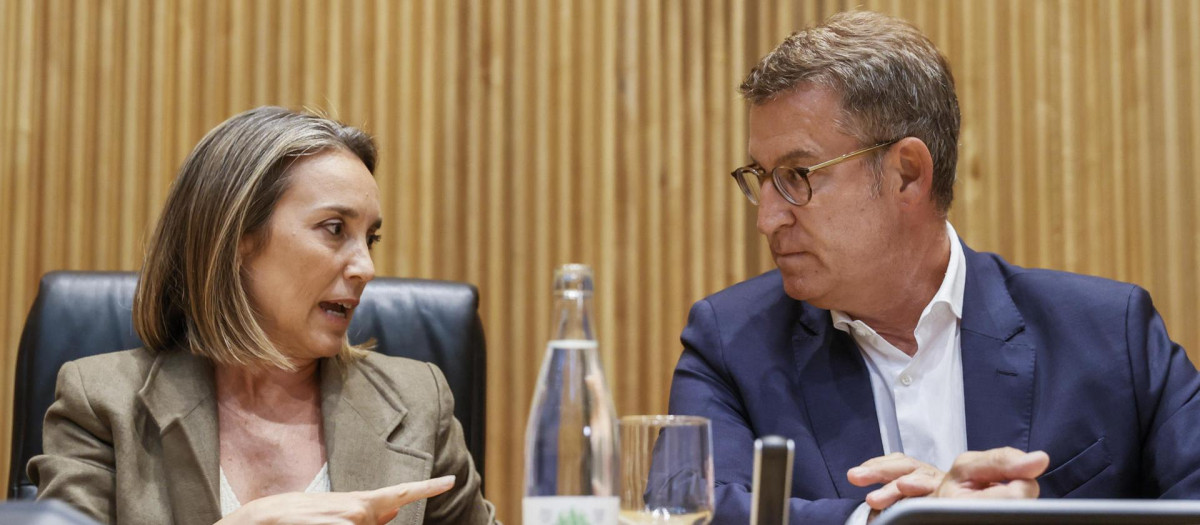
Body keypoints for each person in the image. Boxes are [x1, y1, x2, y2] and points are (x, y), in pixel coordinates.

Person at [667, 10, 1200, 524]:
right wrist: (895, 519)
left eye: (797, 175)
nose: (768, 218)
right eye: (761, 177)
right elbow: (684, 511)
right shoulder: (730, 345)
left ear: (907, 173)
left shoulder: (1110, 335)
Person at [28, 106, 498, 524]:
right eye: (334, 229)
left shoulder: (417, 403)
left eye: (369, 238)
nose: (366, 268)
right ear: (236, 240)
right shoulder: (101, 404)